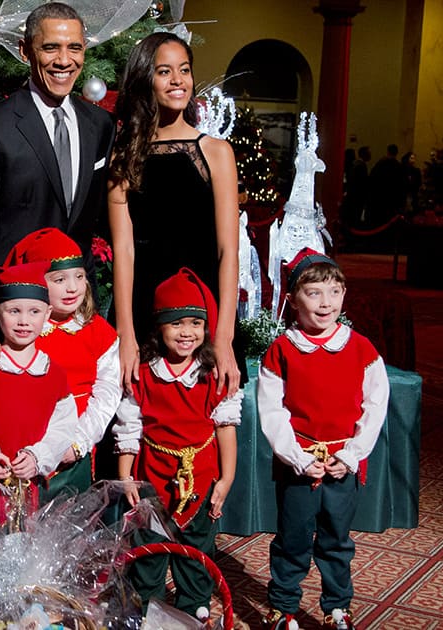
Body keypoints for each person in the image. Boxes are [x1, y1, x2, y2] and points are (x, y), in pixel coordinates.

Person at [0, 1, 116, 377]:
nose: (64, 60)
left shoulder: (101, 125)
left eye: (74, 48)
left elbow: (90, 224)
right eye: (50, 48)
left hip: (76, 315)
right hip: (14, 320)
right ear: (26, 51)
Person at [258, 248, 389, 630]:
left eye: (334, 292)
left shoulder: (360, 348)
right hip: (300, 463)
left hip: (341, 465)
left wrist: (351, 455)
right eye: (314, 293)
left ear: (344, 295)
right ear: (292, 299)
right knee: (292, 539)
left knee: (336, 540)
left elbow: (375, 404)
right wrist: (296, 456)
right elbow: (272, 409)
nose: (325, 302)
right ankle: (282, 607)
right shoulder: (282, 350)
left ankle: (336, 607)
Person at [107, 31, 240, 397]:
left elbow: (229, 251)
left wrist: (224, 336)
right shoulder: (124, 155)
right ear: (144, 78)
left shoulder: (215, 152)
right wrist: (126, 334)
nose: (178, 80)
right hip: (144, 307)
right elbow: (124, 250)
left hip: (204, 307)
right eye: (164, 71)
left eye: (184, 70)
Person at [113, 268, 242, 619]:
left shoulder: (214, 377)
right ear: (160, 327)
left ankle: (194, 606)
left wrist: (226, 478)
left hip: (201, 479)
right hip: (153, 477)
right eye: (177, 324)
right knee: (150, 546)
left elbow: (226, 429)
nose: (187, 333)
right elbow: (130, 428)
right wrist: (126, 474)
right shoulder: (143, 375)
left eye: (195, 324)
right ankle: (148, 607)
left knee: (197, 546)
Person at [3, 227, 121, 500]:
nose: (72, 287)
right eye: (59, 279)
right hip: (22, 453)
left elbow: (107, 393)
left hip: (72, 453)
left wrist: (78, 442)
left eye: (79, 276)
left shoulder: (99, 333)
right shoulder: (21, 330)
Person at [0, 262, 77, 532]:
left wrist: (38, 457)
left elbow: (64, 426)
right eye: (14, 311)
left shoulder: (54, 373)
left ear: (48, 313)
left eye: (34, 311)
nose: (24, 321)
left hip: (30, 490)